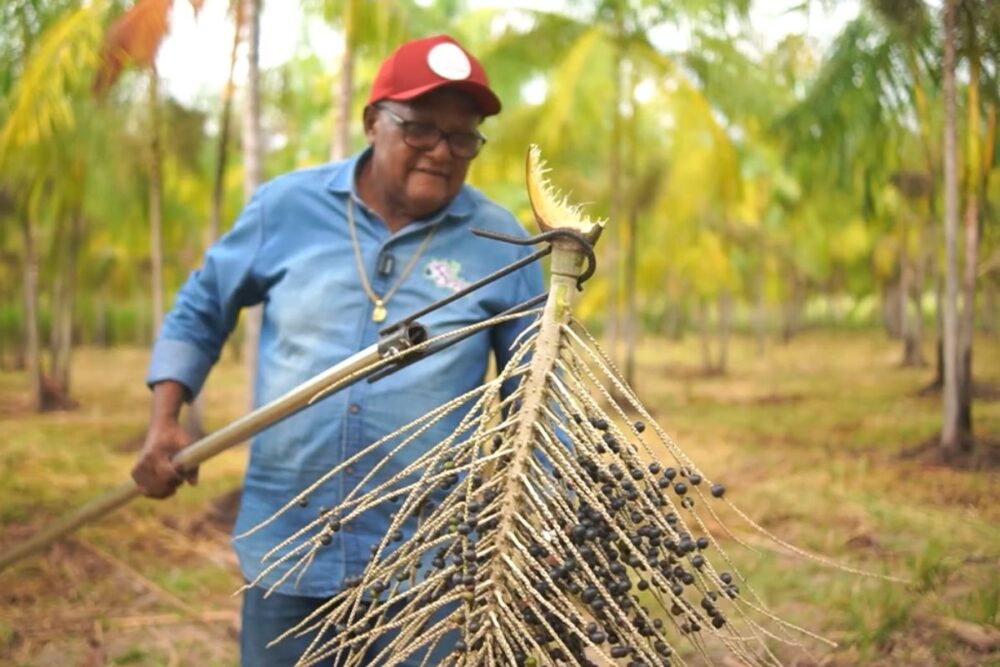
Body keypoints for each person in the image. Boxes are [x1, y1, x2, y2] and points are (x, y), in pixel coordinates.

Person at [131, 34, 544, 666]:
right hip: (288, 549)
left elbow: (540, 395)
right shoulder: (285, 208)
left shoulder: (500, 243)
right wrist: (164, 422)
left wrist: (545, 517)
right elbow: (201, 307)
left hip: (426, 570)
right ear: (372, 121)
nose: (442, 151)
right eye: (421, 130)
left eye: (464, 137)